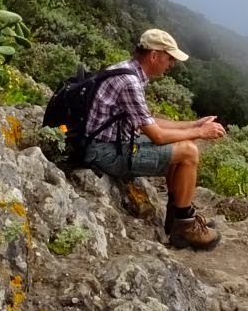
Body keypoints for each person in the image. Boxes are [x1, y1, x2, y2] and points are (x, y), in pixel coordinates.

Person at [82, 28, 227, 250]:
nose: (171, 64)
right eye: (169, 58)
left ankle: (179, 215)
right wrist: (200, 133)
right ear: (154, 55)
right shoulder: (130, 82)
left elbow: (150, 121)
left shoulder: (127, 71)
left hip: (110, 143)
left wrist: (193, 124)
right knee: (189, 152)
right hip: (105, 152)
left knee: (181, 146)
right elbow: (157, 136)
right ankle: (184, 226)